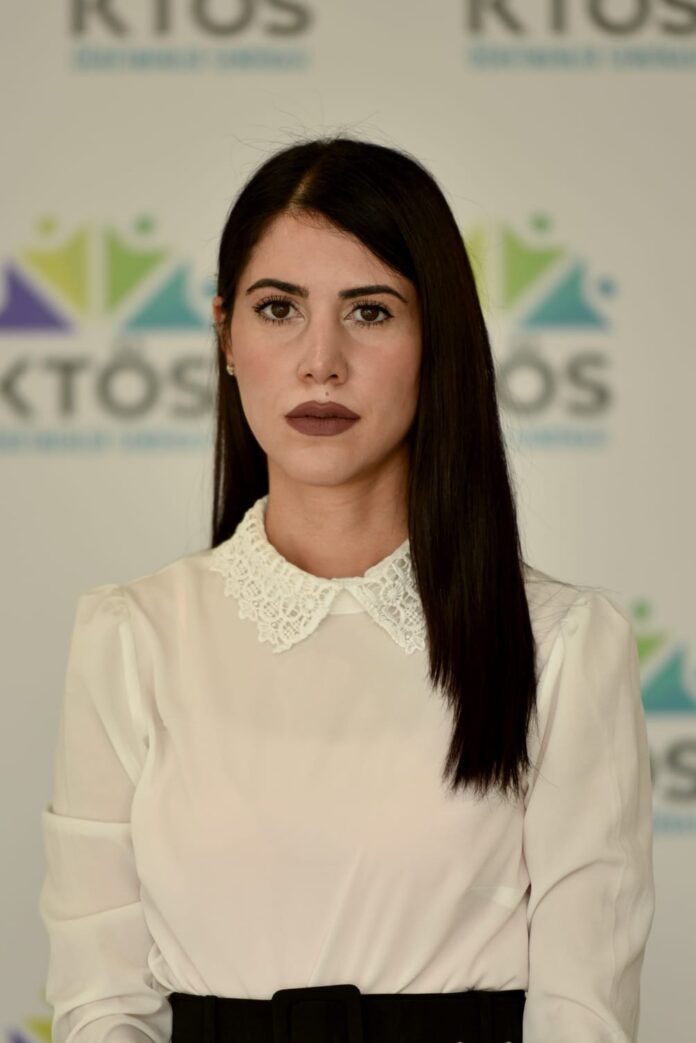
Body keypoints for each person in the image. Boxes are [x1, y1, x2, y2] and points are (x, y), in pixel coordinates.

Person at [38, 135, 655, 1043]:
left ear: (436, 338)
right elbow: (100, 1003)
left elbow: (583, 1016)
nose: (320, 359)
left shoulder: (561, 641)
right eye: (278, 308)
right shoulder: (130, 636)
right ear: (225, 336)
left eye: (369, 311)